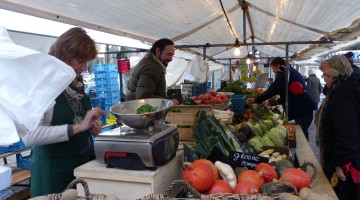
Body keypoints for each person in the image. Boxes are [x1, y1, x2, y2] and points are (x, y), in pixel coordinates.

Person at [22, 27, 106, 197]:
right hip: (53, 173)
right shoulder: (43, 84)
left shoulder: (74, 82)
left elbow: (79, 118)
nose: (84, 67)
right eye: (80, 60)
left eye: (87, 61)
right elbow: (29, 137)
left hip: (79, 167)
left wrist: (91, 125)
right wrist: (78, 127)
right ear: (64, 55)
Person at [317, 55, 360, 200]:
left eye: (325, 75)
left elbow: (346, 133)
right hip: (349, 157)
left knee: (344, 194)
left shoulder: (343, 94)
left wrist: (341, 163)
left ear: (335, 74)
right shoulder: (344, 87)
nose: (324, 78)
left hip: (348, 164)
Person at [247, 57, 317, 140]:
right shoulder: (289, 72)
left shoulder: (284, 73)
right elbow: (289, 92)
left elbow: (272, 90)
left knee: (300, 137)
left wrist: (256, 99)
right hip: (304, 109)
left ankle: (302, 152)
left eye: (273, 68)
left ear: (278, 66)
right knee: (300, 135)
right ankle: (297, 151)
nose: (273, 71)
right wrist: (278, 101)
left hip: (301, 111)